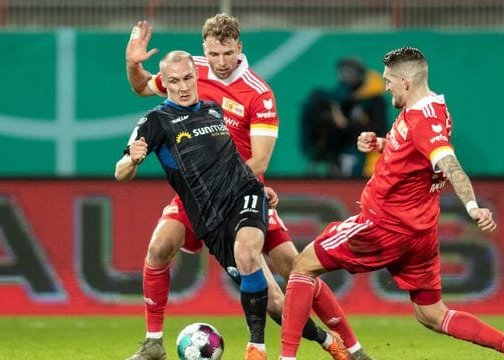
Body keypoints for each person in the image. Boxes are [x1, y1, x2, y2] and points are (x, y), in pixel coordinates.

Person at [279, 47, 504, 360]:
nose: (385, 87)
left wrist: (472, 206)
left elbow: (450, 164)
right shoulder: (434, 107)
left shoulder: (423, 121)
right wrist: (382, 144)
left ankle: (292, 357)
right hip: (419, 234)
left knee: (303, 265)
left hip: (382, 225)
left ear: (406, 82)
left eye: (389, 81)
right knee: (432, 315)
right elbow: (419, 155)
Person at [124, 14, 371, 360]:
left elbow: (260, 161)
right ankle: (153, 343)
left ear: (239, 48)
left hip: (241, 193)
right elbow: (140, 87)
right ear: (203, 51)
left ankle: (350, 346)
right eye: (213, 54)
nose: (220, 63)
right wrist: (132, 64)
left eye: (227, 53)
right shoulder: (188, 73)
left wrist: (236, 185)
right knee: (158, 247)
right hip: (197, 194)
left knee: (296, 271)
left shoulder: (259, 94)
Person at [300, 56, 388, 178]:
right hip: (342, 152)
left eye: (351, 72)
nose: (346, 76)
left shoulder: (374, 99)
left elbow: (379, 129)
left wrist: (346, 124)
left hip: (368, 159)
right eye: (343, 72)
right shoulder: (342, 97)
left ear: (361, 75)